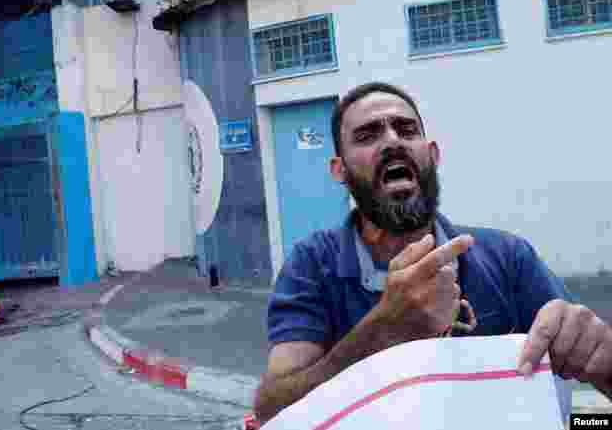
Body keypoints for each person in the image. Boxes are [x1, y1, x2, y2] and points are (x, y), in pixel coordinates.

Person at [252, 82, 612, 425]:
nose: (392, 141)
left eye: (407, 130)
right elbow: (272, 410)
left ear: (433, 155)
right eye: (367, 135)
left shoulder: (508, 257)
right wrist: (385, 328)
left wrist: (601, 355)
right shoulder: (311, 264)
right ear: (340, 170)